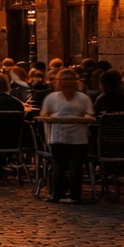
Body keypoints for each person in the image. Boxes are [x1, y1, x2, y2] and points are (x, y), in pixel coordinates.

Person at [38, 69, 95, 203]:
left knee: (64, 164)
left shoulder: (80, 98)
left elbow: (44, 115)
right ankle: (66, 194)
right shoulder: (81, 98)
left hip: (74, 137)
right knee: (66, 164)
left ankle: (62, 194)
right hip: (63, 136)